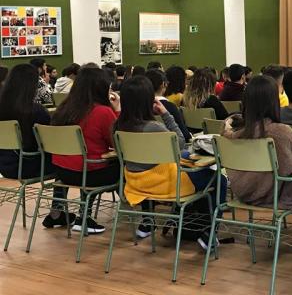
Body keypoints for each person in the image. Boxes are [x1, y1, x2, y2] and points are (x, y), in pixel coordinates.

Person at [114, 76, 227, 246]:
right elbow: (180, 141)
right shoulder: (154, 127)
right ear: (147, 100)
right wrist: (166, 114)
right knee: (219, 179)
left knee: (195, 169)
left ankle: (151, 222)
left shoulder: (117, 127)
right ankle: (210, 234)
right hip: (167, 184)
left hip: (135, 184)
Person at [223, 75, 292, 235]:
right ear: (273, 101)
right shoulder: (280, 132)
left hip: (243, 192)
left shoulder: (233, 134)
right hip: (272, 195)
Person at [51, 67, 121, 234]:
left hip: (62, 172)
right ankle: (138, 213)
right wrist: (117, 110)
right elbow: (119, 142)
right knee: (122, 166)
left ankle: (59, 212)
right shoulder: (103, 112)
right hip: (88, 173)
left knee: (88, 161)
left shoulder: (62, 109)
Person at [0, 64, 71, 228]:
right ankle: (57, 211)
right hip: (27, 164)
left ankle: (58, 213)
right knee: (65, 163)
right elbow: (52, 143)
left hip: (5, 165)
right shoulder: (35, 111)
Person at [145, 69, 191, 141]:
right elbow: (185, 135)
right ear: (164, 84)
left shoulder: (139, 107)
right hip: (170, 147)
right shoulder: (170, 107)